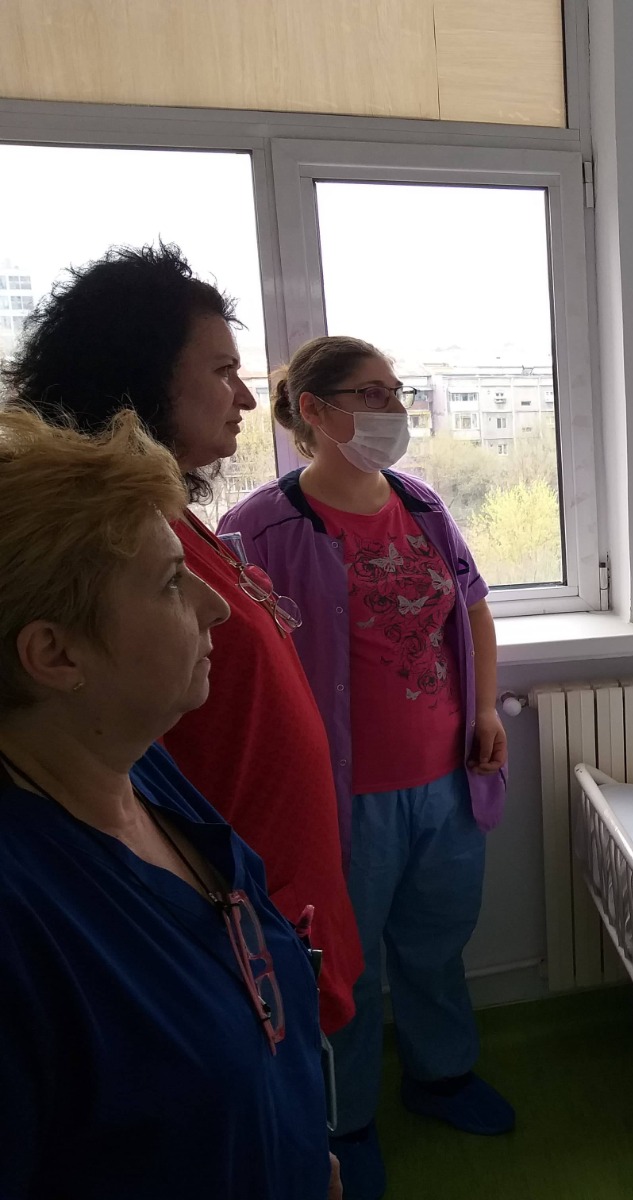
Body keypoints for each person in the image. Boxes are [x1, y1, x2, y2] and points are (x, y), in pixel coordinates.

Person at [1, 243, 362, 1036]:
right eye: (222, 371)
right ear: (141, 376)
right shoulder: (106, 553)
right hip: (219, 931)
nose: (246, 396)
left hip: (271, 904)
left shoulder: (170, 524)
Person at [0, 407, 339, 1199]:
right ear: (55, 654)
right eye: (169, 582)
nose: (217, 606)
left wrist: (293, 1150)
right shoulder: (23, 924)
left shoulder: (139, 767)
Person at [221, 335, 512, 1200]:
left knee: (435, 944)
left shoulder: (421, 507)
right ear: (314, 411)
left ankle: (441, 1078)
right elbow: (237, 663)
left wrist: (486, 709)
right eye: (371, 393)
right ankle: (344, 1123)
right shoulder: (260, 528)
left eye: (397, 391)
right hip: (339, 797)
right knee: (340, 968)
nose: (394, 410)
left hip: (445, 779)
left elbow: (474, 608)